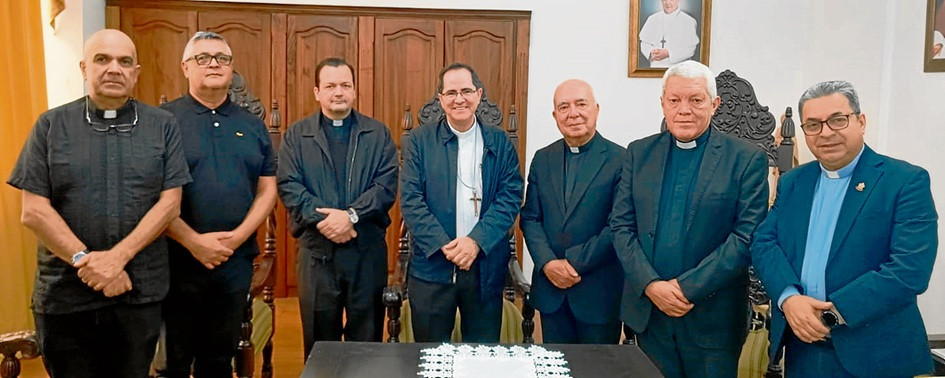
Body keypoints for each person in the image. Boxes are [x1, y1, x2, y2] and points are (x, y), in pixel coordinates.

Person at [7, 29, 191, 377]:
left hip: (137, 291)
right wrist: (85, 260)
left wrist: (116, 259)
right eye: (102, 59)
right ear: (84, 68)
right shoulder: (50, 125)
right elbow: (33, 211)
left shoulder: (162, 126)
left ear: (136, 72)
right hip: (65, 294)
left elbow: (170, 204)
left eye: (124, 62)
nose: (113, 69)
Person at [751, 80, 938, 377]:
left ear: (861, 122)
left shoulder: (903, 181)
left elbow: (909, 270)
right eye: (813, 125)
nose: (825, 133)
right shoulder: (794, 182)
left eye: (837, 120)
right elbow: (764, 241)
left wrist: (830, 313)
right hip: (804, 348)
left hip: (875, 354)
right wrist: (789, 298)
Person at [610, 60, 769, 377]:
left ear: (714, 103)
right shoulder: (638, 153)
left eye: (696, 100)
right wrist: (652, 285)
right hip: (651, 314)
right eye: (674, 100)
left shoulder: (746, 158)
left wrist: (686, 288)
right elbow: (621, 226)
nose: (684, 110)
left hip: (712, 318)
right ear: (663, 104)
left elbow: (745, 237)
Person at [158, 31, 277, 377]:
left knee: (218, 360)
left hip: (233, 261)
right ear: (185, 67)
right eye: (203, 57)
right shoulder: (162, 122)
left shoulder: (253, 125)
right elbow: (150, 194)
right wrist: (193, 242)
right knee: (172, 363)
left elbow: (267, 190)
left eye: (222, 58)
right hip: (176, 260)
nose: (213, 64)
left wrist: (237, 237)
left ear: (232, 68)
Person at [277, 57, 398, 358]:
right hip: (317, 255)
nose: (338, 92)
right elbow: (289, 185)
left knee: (366, 343)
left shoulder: (378, 134)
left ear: (355, 91)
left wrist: (351, 217)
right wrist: (328, 221)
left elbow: (385, 186)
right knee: (320, 345)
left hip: (366, 253)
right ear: (317, 92)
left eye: (345, 85)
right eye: (330, 86)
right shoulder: (296, 135)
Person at [400, 63, 523, 343]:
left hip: (484, 269)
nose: (459, 99)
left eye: (466, 91)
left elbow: (510, 195)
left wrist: (475, 241)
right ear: (441, 99)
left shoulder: (500, 142)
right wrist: (447, 246)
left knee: (481, 356)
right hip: (432, 268)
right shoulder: (420, 141)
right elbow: (411, 200)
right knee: (430, 356)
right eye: (451, 92)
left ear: (479, 95)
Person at [520, 79, 623, 344]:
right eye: (563, 107)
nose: (573, 113)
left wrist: (574, 263)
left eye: (581, 104)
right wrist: (548, 263)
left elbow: (619, 225)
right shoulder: (543, 159)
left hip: (598, 292)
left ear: (596, 109)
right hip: (551, 290)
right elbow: (530, 217)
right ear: (555, 116)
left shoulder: (621, 160)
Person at [639, 0, 699, 68]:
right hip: (655, 68)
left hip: (679, 70)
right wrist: (651, 52)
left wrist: (668, 53)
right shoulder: (652, 19)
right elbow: (644, 43)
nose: (668, 3)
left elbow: (690, 49)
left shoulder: (688, 21)